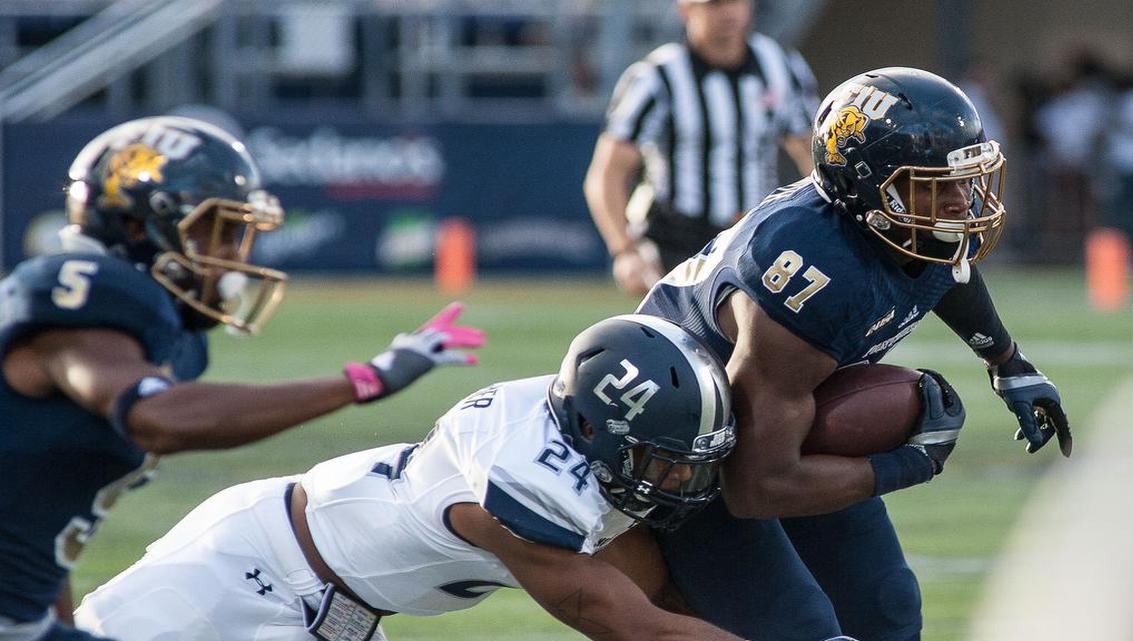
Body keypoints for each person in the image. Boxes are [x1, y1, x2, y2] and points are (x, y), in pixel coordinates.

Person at [621, 67, 1072, 641]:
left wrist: (1007, 361)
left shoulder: (899, 225)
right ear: (867, 188)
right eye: (936, 185)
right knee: (800, 628)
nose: (961, 201)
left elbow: (944, 269)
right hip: (684, 457)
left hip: (779, 425)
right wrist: (913, 461)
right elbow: (756, 487)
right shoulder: (809, 276)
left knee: (886, 611)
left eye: (964, 178)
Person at [0, 116, 485, 641]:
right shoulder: (82, 297)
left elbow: (43, 527)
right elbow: (157, 419)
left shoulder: (170, 343)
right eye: (220, 232)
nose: (232, 257)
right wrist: (364, 380)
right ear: (141, 227)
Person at [71, 314, 772, 641]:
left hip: (336, 606)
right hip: (243, 569)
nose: (683, 478)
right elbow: (635, 626)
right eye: (666, 459)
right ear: (597, 430)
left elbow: (660, 600)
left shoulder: (574, 432)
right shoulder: (522, 489)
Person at [584, 0, 818, 297]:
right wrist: (625, 250)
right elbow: (608, 173)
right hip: (676, 241)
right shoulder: (657, 76)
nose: (728, 13)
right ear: (686, 9)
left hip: (755, 236)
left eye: (736, 1)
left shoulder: (780, 65)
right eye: (714, 4)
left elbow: (813, 154)